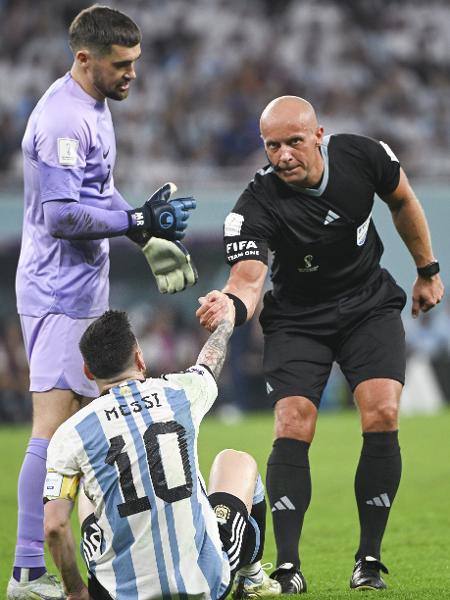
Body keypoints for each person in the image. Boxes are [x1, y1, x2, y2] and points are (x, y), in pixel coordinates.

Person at [196, 95, 444, 593]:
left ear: (319, 135)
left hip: (368, 303)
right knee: (293, 421)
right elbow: (247, 280)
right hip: (298, 318)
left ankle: (369, 560)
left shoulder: (364, 157)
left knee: (382, 413)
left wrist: (427, 271)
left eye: (293, 142)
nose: (283, 155)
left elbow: (403, 200)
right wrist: (229, 305)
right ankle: (288, 567)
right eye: (272, 146)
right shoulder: (256, 205)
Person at [9, 6, 197, 600]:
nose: (132, 74)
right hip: (58, 293)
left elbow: (99, 192)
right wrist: (136, 219)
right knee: (53, 425)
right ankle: (28, 569)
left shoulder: (94, 106)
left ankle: (84, 557)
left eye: (135, 62)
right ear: (84, 58)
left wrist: (141, 233)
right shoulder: (64, 118)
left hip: (81, 290)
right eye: (121, 64)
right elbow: (64, 215)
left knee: (82, 427)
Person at [42, 308, 281, 600]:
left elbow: (54, 526)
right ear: (140, 358)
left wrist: (76, 591)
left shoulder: (70, 434)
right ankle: (252, 577)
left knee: (86, 493)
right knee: (236, 460)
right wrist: (225, 324)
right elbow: (210, 361)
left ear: (88, 372)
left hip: (114, 594)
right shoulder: (180, 391)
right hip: (204, 585)